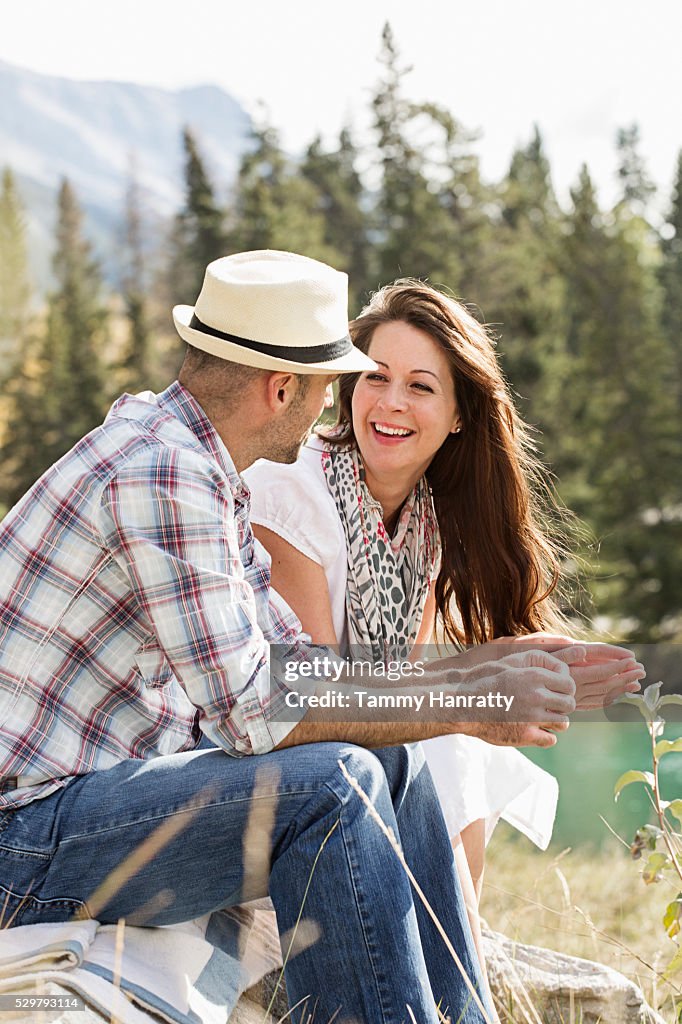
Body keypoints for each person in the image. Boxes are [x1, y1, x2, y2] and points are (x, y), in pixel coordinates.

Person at [0, 250, 633, 1024]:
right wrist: (468, 697)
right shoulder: (164, 474)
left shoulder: (200, 469)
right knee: (332, 787)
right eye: (335, 381)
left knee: (388, 760)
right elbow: (251, 712)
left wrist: (481, 674)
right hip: (21, 841)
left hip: (71, 816)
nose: (337, 403)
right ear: (280, 388)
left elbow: (290, 667)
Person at [244, 278, 646, 991]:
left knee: (457, 743)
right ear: (347, 388)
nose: (391, 402)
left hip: (359, 759)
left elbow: (408, 681)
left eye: (421, 386)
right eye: (375, 377)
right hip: (288, 766)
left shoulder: (429, 520)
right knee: (454, 731)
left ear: (459, 414)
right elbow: (313, 699)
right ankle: (443, 963)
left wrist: (504, 670)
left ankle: (457, 948)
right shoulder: (289, 495)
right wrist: (483, 688)